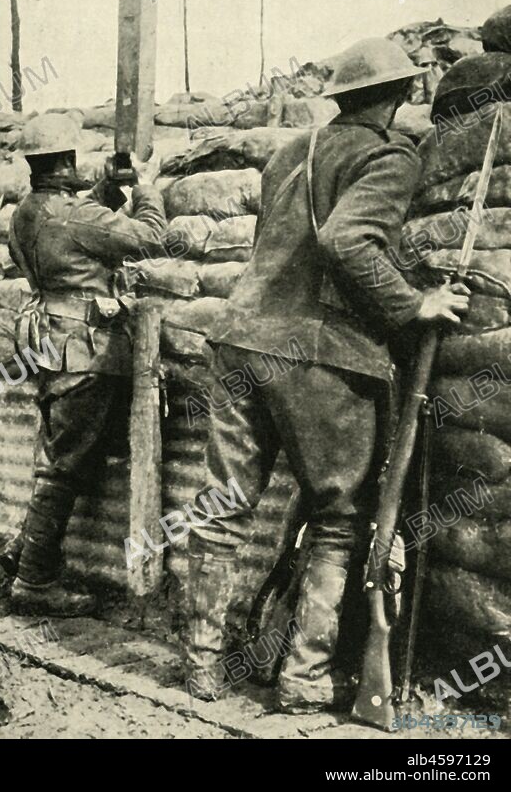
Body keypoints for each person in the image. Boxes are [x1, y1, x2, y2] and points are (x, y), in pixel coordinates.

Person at [183, 38, 471, 709]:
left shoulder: (290, 152)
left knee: (224, 506)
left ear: (341, 95)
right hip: (318, 352)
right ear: (401, 95)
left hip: (239, 336)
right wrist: (412, 303)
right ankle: (303, 677)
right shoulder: (391, 156)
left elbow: (281, 249)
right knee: (340, 517)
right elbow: (344, 240)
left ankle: (200, 668)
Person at [5, 113, 171, 617]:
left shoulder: (25, 213)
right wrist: (145, 188)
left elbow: (79, 228)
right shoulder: (73, 215)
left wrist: (104, 189)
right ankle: (33, 580)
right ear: (63, 163)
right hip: (85, 351)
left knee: (61, 456)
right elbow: (150, 237)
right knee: (64, 467)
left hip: (49, 348)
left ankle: (22, 551)